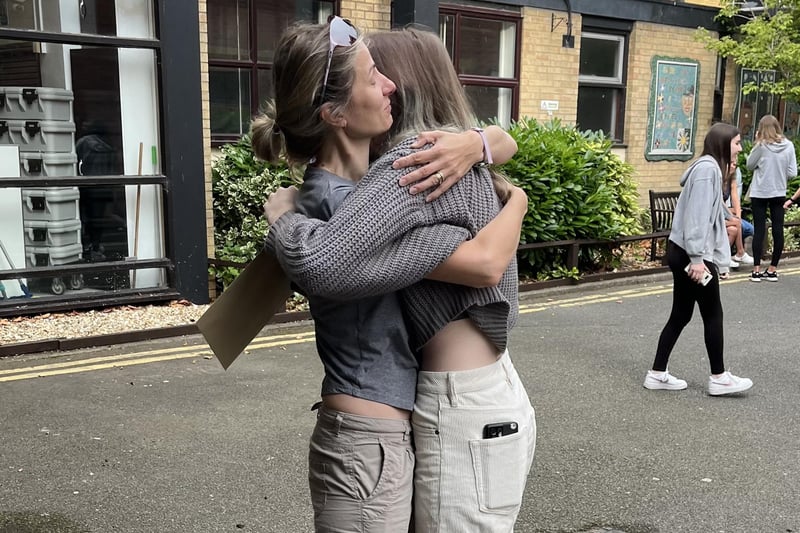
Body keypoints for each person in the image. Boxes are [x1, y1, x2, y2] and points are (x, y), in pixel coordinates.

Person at [251, 19, 529, 533]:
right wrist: (283, 221)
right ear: (334, 112)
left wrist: (480, 143)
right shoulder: (356, 195)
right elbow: (483, 263)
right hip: (369, 430)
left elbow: (502, 144)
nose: (388, 87)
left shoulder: (377, 188)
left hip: (387, 426)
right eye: (372, 76)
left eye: (384, 70)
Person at [644, 122, 754, 396]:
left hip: (685, 251)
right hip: (691, 255)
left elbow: (712, 210)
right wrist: (697, 260)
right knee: (713, 313)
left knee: (681, 314)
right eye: (737, 142)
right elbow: (696, 218)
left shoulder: (711, 168)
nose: (740, 148)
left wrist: (722, 255)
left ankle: (657, 373)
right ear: (724, 143)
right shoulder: (707, 171)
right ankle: (719, 377)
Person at [745, 114, 798, 282]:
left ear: (761, 129)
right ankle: (773, 269)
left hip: (760, 192)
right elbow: (792, 173)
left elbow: (749, 165)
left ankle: (756, 270)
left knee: (759, 229)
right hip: (779, 191)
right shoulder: (788, 146)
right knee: (778, 229)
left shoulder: (761, 146)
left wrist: (756, 145)